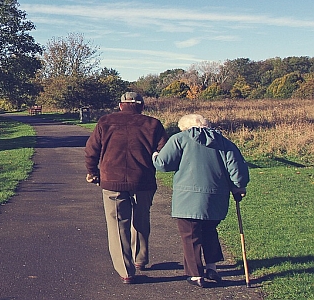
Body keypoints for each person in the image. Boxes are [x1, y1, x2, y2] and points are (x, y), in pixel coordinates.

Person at [152, 113, 249, 288]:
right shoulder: (224, 142)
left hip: (187, 198)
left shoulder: (179, 139)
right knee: (210, 230)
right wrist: (239, 186)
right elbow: (237, 170)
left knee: (190, 235)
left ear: (185, 127)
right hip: (216, 198)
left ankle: (196, 274)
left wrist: (155, 155)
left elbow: (163, 164)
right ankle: (212, 267)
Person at [85, 92, 168, 284]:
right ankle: (140, 259)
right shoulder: (153, 124)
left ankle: (126, 271)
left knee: (117, 224)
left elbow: (91, 150)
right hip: (143, 180)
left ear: (121, 105)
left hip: (112, 180)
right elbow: (164, 151)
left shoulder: (105, 122)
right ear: (141, 106)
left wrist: (92, 171)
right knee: (141, 218)